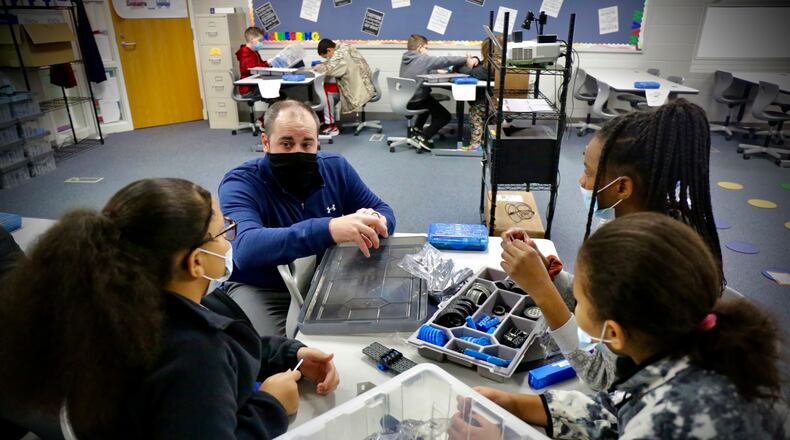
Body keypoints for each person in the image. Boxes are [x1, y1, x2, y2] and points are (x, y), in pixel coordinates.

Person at [0, 178, 339, 439]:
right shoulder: (192, 356)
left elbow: (235, 343)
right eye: (222, 231)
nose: (228, 239)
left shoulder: (129, 299)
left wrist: (289, 352)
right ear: (195, 262)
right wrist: (272, 407)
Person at [455, 214, 786, 439]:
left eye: (581, 301)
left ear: (612, 333)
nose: (576, 304)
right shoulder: (689, 348)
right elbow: (618, 407)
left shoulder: (671, 418)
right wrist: (514, 404)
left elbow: (637, 416)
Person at [500, 99, 724, 391]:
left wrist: (542, 291)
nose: (582, 180)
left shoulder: (646, 263)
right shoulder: (640, 224)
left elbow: (601, 377)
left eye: (589, 172)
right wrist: (549, 274)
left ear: (622, 187)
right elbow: (596, 300)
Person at [219, 99, 396, 336]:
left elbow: (382, 210)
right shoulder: (240, 184)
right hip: (262, 286)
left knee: (371, 330)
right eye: (287, 143)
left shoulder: (335, 168)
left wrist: (376, 219)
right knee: (286, 357)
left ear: (317, 144)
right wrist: (329, 229)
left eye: (307, 144)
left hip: (323, 276)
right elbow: (246, 249)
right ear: (265, 142)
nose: (297, 153)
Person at [399, 34, 478, 150]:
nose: (427, 51)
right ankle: (423, 136)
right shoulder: (423, 59)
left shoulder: (406, 59)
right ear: (420, 47)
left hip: (405, 98)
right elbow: (445, 60)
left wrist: (436, 71)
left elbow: (418, 70)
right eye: (426, 48)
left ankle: (416, 129)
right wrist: (466, 59)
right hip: (416, 99)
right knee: (444, 116)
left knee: (429, 101)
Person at [313, 38, 376, 137]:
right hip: (365, 84)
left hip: (359, 89)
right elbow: (333, 63)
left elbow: (330, 70)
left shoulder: (340, 55)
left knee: (328, 93)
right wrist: (324, 63)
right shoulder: (345, 47)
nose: (327, 59)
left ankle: (330, 125)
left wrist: (318, 67)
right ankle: (327, 120)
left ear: (329, 50)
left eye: (326, 56)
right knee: (330, 89)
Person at [456, 36, 503, 151]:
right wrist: (476, 59)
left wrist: (463, 64)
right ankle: (489, 140)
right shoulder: (500, 64)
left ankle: (475, 145)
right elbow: (480, 65)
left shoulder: (489, 68)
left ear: (486, 51)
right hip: (500, 101)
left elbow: (471, 72)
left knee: (475, 111)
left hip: (490, 103)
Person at [235, 26, 270, 99]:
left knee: (276, 91)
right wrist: (267, 64)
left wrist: (269, 63)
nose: (261, 43)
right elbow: (254, 70)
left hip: (253, 85)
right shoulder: (245, 53)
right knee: (275, 92)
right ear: (252, 40)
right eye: (260, 40)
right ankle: (273, 109)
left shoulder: (254, 52)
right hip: (248, 89)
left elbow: (259, 65)